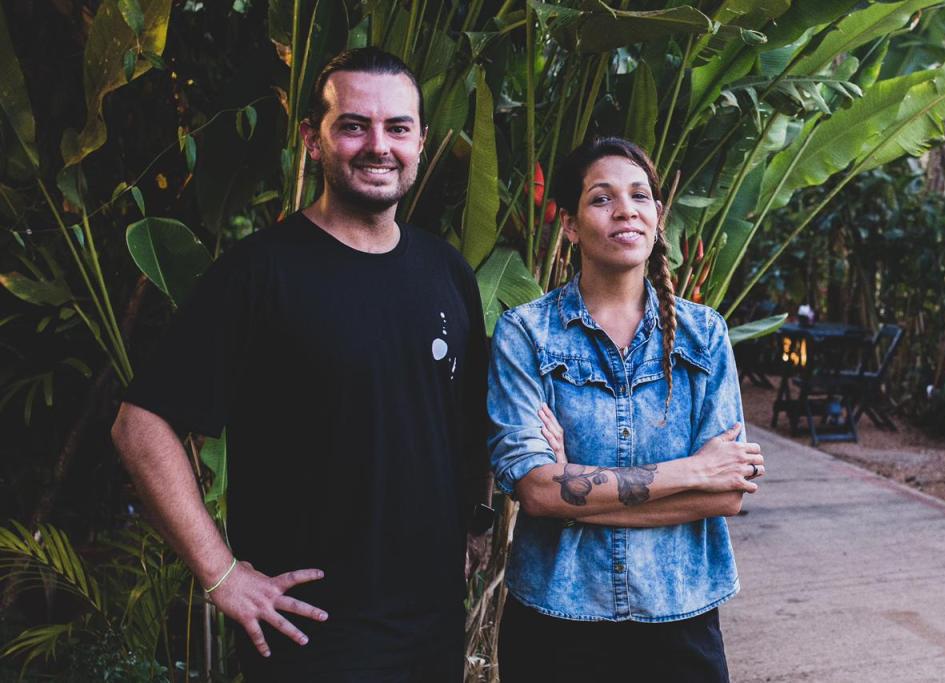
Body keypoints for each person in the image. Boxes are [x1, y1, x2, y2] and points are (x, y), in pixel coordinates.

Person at [111, 48, 491, 682]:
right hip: (311, 633)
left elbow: (466, 422)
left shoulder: (446, 271)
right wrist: (222, 575)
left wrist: (478, 525)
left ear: (422, 141)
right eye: (354, 126)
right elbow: (139, 425)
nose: (379, 146)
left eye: (397, 128)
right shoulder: (258, 273)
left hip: (431, 628)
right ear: (313, 140)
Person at [487, 137, 764, 681]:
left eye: (639, 196)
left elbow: (726, 496)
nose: (624, 210)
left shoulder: (704, 335)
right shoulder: (527, 333)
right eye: (601, 198)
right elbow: (535, 490)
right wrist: (693, 471)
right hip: (557, 620)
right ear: (570, 225)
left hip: (680, 618)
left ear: (658, 216)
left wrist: (572, 499)